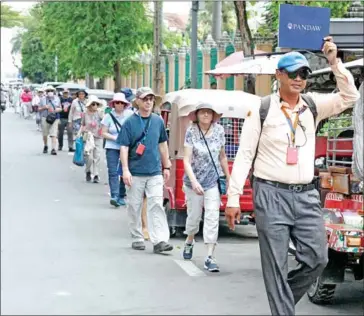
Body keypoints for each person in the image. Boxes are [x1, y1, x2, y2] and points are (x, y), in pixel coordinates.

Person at [225, 37, 360, 316]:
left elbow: (350, 97)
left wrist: (335, 62)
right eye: (293, 73)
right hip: (271, 193)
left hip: (305, 195)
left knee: (317, 259)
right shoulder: (262, 109)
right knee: (276, 265)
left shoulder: (312, 107)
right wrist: (234, 197)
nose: (299, 79)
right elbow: (244, 155)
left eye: (304, 74)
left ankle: (280, 297)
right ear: (279, 75)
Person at [118, 87, 173, 253]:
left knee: (156, 203)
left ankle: (160, 240)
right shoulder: (129, 122)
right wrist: (126, 170)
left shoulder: (158, 121)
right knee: (134, 206)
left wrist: (167, 165)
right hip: (135, 171)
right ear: (138, 101)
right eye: (145, 99)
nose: (148, 102)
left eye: (151, 99)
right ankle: (137, 236)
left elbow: (162, 144)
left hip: (154, 170)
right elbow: (124, 147)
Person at [182, 103, 230, 272]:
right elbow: (186, 160)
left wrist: (229, 179)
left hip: (212, 180)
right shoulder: (191, 131)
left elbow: (222, 157)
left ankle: (210, 256)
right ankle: (189, 240)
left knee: (212, 215)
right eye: (202, 112)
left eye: (209, 112)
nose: (205, 115)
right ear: (197, 115)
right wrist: (194, 182)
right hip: (193, 180)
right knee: (194, 216)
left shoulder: (219, 131)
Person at [101, 93, 133, 207]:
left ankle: (121, 194)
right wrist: (115, 137)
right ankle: (114, 195)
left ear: (125, 104)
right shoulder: (108, 116)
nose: (119, 105)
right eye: (117, 102)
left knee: (124, 170)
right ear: (113, 104)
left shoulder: (130, 115)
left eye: (121, 103)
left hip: (126, 147)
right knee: (113, 171)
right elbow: (103, 132)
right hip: (112, 147)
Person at [80, 95, 103, 183]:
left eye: (96, 104)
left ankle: (96, 174)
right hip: (88, 136)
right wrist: (80, 134)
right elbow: (82, 124)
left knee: (97, 156)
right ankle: (88, 171)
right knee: (89, 157)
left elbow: (104, 121)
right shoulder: (85, 113)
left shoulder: (100, 113)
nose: (95, 106)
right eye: (93, 104)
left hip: (98, 136)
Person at [38, 86, 62, 155]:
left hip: (55, 118)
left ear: (53, 91)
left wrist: (57, 109)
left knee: (54, 133)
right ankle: (45, 145)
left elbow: (60, 108)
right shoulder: (43, 99)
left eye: (51, 90)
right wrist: (44, 107)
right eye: (48, 91)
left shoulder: (57, 99)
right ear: (46, 92)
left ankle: (53, 149)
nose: (50, 92)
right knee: (45, 134)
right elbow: (38, 109)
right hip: (45, 117)